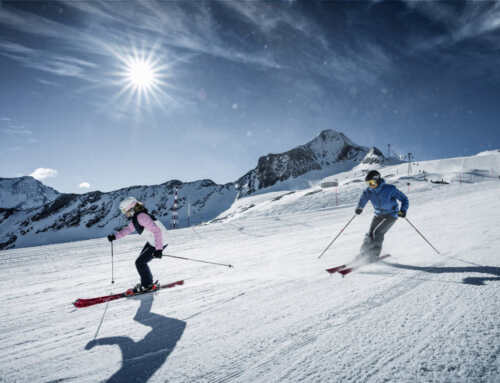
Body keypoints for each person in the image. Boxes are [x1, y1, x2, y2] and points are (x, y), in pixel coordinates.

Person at [107, 197, 169, 293]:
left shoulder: (141, 217)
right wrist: (115, 237)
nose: (125, 214)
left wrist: (159, 249)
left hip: (159, 241)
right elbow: (128, 229)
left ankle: (147, 285)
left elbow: (157, 231)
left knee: (140, 263)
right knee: (141, 262)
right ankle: (147, 283)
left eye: (124, 211)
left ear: (130, 208)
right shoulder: (137, 217)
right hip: (154, 241)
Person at [354, 170, 409, 260]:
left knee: (378, 233)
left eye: (372, 183)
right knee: (370, 234)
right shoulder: (369, 191)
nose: (370, 185)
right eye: (368, 183)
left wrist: (403, 210)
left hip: (391, 214)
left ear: (378, 180)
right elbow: (363, 199)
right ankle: (363, 254)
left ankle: (374, 255)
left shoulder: (389, 189)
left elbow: (404, 199)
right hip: (378, 214)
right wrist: (360, 207)